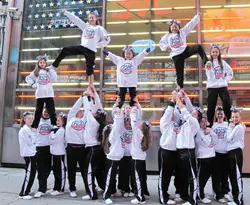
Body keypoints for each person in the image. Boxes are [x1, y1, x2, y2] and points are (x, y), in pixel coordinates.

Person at [52, 9, 111, 89]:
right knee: (65, 50)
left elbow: (107, 39)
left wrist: (97, 45)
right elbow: (76, 20)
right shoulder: (85, 26)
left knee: (89, 68)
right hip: (82, 47)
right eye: (90, 18)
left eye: (93, 17)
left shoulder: (99, 28)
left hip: (91, 50)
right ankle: (54, 65)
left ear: (96, 18)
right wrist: (66, 13)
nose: (91, 19)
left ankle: (91, 85)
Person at [159, 13, 209, 88]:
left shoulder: (182, 32)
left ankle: (206, 62)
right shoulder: (167, 36)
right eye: (172, 27)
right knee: (179, 73)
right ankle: (180, 87)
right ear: (170, 28)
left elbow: (190, 25)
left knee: (198, 47)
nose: (174, 28)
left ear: (179, 27)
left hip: (184, 50)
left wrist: (197, 16)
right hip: (176, 55)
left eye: (176, 27)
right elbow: (161, 43)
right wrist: (166, 47)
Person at [174, 91, 201, 205]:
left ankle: (193, 199)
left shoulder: (194, 122)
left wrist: (176, 98)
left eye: (194, 113)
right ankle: (184, 196)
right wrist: (184, 96)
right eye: (192, 113)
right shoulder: (185, 123)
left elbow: (185, 110)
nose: (192, 113)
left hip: (188, 151)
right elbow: (182, 110)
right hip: (181, 151)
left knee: (192, 177)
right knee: (183, 176)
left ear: (197, 116)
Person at [81, 90, 107, 200]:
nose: (94, 112)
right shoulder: (99, 122)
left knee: (89, 171)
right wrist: (95, 93)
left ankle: (92, 194)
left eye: (95, 113)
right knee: (99, 171)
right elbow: (98, 106)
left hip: (93, 150)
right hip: (99, 150)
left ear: (95, 116)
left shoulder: (92, 122)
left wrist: (86, 96)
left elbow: (89, 107)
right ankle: (105, 188)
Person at [25, 54, 57, 130]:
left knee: (52, 110)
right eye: (40, 62)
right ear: (38, 64)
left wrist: (51, 71)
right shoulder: (36, 72)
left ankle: (54, 124)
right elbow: (28, 78)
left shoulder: (49, 71)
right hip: (40, 95)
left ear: (46, 63)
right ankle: (35, 126)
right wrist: (32, 84)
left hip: (49, 94)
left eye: (43, 62)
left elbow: (54, 79)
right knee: (38, 111)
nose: (42, 64)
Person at [158, 95, 180, 205]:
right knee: (164, 176)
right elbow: (169, 111)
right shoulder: (164, 121)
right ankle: (163, 198)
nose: (172, 114)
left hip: (175, 152)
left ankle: (169, 194)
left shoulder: (175, 123)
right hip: (165, 151)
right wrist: (173, 99)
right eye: (170, 113)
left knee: (175, 175)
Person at [65, 94, 88, 198]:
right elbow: (74, 108)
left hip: (82, 148)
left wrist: (87, 99)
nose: (81, 111)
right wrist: (82, 97)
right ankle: (72, 188)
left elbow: (88, 109)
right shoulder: (70, 118)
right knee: (71, 170)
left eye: (82, 110)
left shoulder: (85, 120)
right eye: (80, 110)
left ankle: (89, 188)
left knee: (85, 170)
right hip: (71, 148)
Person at [206, 43, 233, 127]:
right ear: (211, 53)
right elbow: (209, 76)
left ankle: (230, 121)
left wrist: (226, 80)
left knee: (226, 102)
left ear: (219, 53)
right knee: (211, 105)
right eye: (213, 52)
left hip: (222, 86)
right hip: (212, 86)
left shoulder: (223, 62)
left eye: (216, 52)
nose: (215, 53)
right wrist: (209, 69)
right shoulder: (208, 63)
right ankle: (209, 124)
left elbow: (230, 72)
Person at [103, 105, 125, 204]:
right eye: (111, 126)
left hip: (116, 158)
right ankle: (106, 196)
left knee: (112, 177)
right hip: (112, 159)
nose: (112, 125)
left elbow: (119, 126)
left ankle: (112, 191)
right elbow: (117, 125)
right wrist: (118, 114)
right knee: (109, 177)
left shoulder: (117, 134)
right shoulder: (113, 135)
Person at [130, 106, 151, 204]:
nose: (138, 123)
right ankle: (142, 194)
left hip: (136, 159)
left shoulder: (137, 133)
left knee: (137, 179)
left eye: (140, 124)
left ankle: (140, 198)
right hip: (141, 159)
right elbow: (136, 122)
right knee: (141, 178)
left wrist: (133, 111)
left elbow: (133, 121)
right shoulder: (145, 135)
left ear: (141, 128)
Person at [195, 115, 218, 204]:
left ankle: (201, 193)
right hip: (202, 157)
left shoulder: (209, 130)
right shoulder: (198, 131)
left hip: (211, 156)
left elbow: (215, 141)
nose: (204, 123)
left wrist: (211, 133)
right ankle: (200, 195)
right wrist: (210, 139)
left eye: (205, 121)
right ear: (199, 123)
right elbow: (206, 143)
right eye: (202, 122)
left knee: (206, 177)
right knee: (201, 178)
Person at [227, 106, 245, 205]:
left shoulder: (238, 127)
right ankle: (235, 197)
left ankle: (238, 200)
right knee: (233, 176)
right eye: (233, 117)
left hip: (236, 153)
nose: (234, 119)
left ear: (240, 117)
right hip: (231, 152)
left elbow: (229, 138)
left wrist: (230, 128)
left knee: (236, 176)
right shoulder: (236, 126)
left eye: (236, 117)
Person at [212, 106, 230, 203]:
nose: (219, 115)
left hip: (226, 153)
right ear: (215, 115)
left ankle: (225, 191)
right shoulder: (213, 125)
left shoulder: (228, 125)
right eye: (218, 113)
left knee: (225, 174)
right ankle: (217, 194)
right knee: (216, 175)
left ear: (224, 115)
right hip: (216, 153)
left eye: (221, 113)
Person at [34, 108, 53, 198]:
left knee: (48, 168)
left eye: (47, 112)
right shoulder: (37, 120)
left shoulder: (52, 121)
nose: (46, 113)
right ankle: (41, 189)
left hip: (49, 147)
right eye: (45, 112)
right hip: (39, 147)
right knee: (41, 168)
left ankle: (43, 184)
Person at [18, 112, 36, 200]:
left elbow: (33, 141)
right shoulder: (24, 130)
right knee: (29, 174)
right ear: (24, 119)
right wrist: (34, 137)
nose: (31, 120)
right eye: (29, 118)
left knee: (32, 173)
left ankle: (27, 190)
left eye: (32, 118)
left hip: (32, 154)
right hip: (28, 154)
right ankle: (23, 193)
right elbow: (31, 142)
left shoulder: (29, 129)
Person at [49, 113, 67, 196]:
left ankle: (60, 188)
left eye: (59, 120)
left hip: (59, 153)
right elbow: (50, 139)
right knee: (56, 171)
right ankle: (55, 187)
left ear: (63, 122)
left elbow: (54, 140)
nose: (57, 122)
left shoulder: (61, 130)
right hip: (54, 153)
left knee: (60, 171)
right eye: (57, 120)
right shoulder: (55, 129)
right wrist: (52, 136)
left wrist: (52, 136)